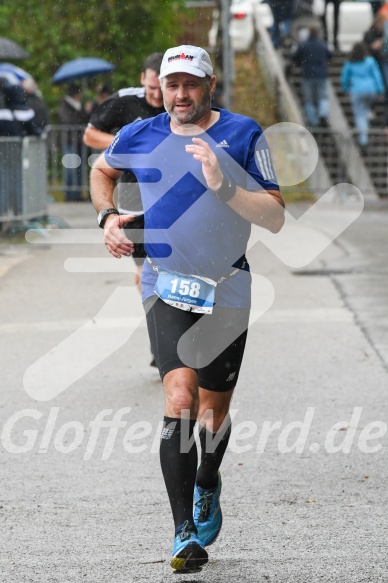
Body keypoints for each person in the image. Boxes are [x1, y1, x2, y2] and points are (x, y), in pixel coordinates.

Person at [90, 45, 285, 572]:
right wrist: (108, 216)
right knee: (179, 396)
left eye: (191, 84)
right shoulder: (141, 133)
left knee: (212, 413)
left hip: (227, 286)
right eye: (172, 84)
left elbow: (274, 218)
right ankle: (182, 533)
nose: (180, 94)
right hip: (164, 281)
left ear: (210, 85)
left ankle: (206, 481)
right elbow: (101, 170)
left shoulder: (243, 134)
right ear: (163, 87)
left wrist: (225, 186)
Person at [83, 52, 165, 367]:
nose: (157, 97)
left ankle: (176, 336)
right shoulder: (124, 101)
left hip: (172, 195)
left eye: (162, 89)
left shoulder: (180, 99)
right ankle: (158, 340)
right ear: (143, 78)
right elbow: (90, 135)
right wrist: (127, 144)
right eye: (152, 90)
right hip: (134, 195)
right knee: (145, 272)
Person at [341, 42, 384, 148]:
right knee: (365, 110)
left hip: (357, 90)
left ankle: (363, 140)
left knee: (359, 115)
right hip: (371, 89)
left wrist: (345, 89)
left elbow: (344, 78)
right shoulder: (370, 61)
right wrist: (380, 89)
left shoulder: (350, 63)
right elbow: (377, 75)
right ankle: (369, 116)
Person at [292, 24, 332, 127]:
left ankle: (313, 120)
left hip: (308, 74)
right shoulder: (323, 45)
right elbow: (330, 55)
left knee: (309, 99)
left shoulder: (304, 45)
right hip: (321, 75)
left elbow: (295, 56)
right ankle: (323, 113)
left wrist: (300, 62)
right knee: (323, 96)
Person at [57, 83, 90, 201]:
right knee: (70, 169)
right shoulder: (64, 105)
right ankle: (69, 195)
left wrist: (86, 111)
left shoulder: (79, 106)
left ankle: (79, 194)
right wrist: (80, 111)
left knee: (80, 169)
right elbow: (68, 121)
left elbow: (86, 120)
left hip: (79, 142)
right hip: (69, 141)